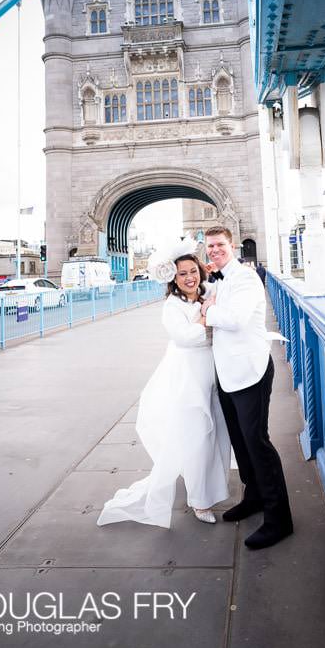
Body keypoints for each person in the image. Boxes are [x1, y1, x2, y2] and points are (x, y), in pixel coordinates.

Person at [96, 237, 231, 529]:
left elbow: (225, 285)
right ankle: (200, 501)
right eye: (182, 274)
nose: (189, 278)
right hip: (187, 375)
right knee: (197, 438)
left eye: (193, 271)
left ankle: (211, 488)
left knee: (215, 434)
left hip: (213, 372)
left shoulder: (207, 291)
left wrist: (210, 297)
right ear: (173, 278)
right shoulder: (172, 305)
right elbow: (184, 337)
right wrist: (208, 315)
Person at [201, 226, 293, 550]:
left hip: (250, 372)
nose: (214, 250)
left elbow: (237, 319)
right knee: (240, 442)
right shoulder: (218, 279)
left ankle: (279, 519)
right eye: (210, 246)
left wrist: (207, 311)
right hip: (227, 372)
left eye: (219, 245)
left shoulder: (246, 278)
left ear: (233, 245)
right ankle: (253, 495)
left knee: (258, 443)